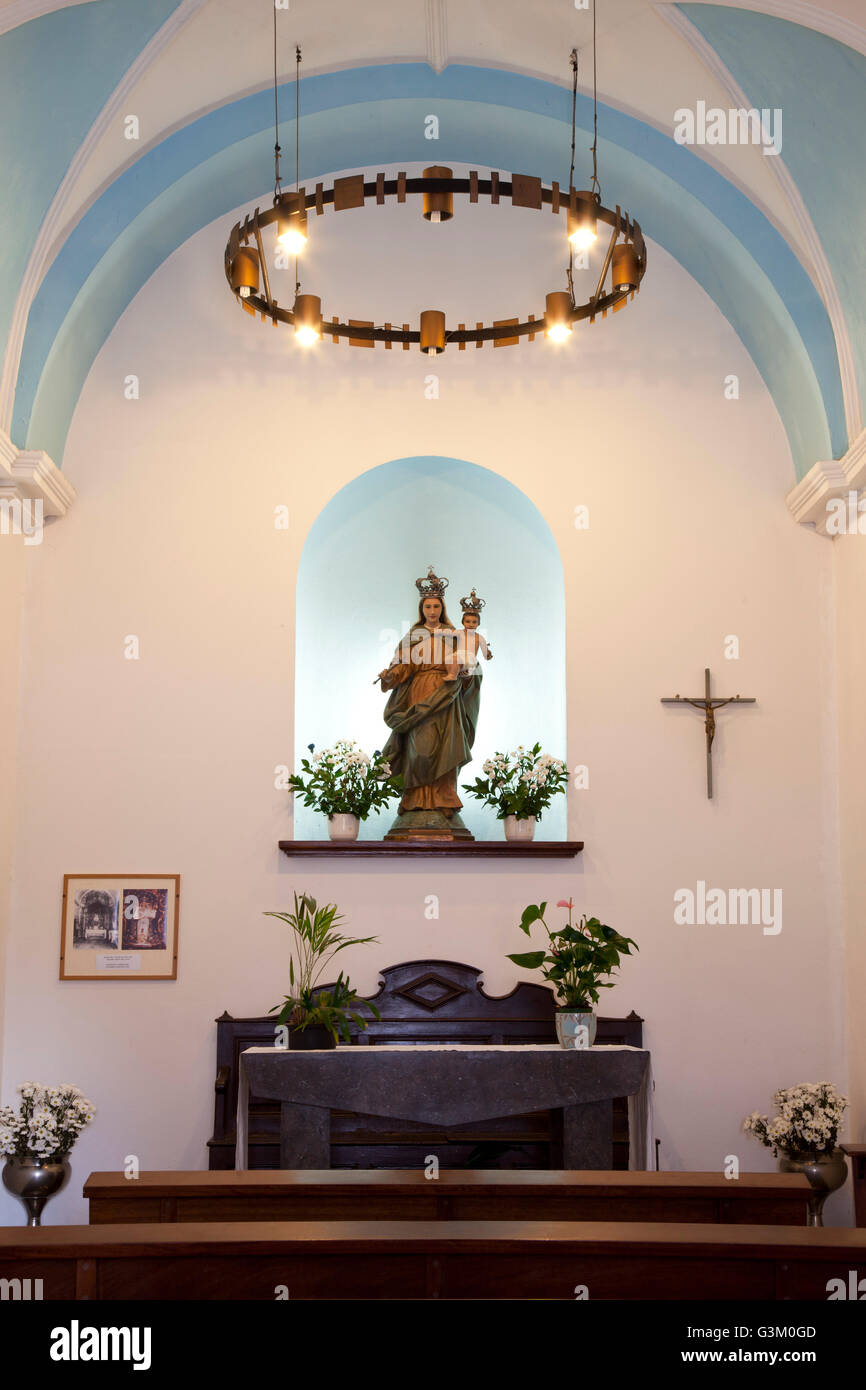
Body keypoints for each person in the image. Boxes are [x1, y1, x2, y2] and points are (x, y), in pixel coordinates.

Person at [377, 568, 481, 821]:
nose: (432, 611)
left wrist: (467, 676)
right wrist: (389, 676)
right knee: (419, 749)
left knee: (447, 747)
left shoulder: (454, 634)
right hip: (419, 695)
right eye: (427, 607)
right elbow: (403, 666)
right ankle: (413, 798)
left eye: (436, 606)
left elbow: (469, 663)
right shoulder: (414, 636)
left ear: (442, 607)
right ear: (421, 609)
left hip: (447, 695)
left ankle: (445, 798)